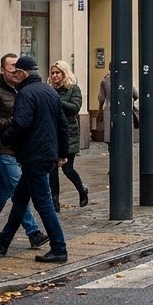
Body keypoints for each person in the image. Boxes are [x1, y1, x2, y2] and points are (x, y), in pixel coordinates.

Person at [0, 56, 68, 264]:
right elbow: (62, 124)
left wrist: (6, 138)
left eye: (17, 72)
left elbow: (22, 123)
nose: (15, 75)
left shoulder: (26, 93)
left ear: (25, 73)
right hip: (45, 153)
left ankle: (59, 247)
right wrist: (61, 152)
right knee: (19, 198)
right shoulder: (49, 91)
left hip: (33, 155)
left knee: (43, 203)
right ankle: (3, 240)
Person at [0, 54, 47, 250]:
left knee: (3, 191)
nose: (16, 72)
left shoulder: (22, 88)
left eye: (18, 68)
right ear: (2, 70)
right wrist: (13, 123)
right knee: (19, 191)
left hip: (18, 149)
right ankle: (33, 232)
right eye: (12, 69)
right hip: (2, 147)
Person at [48, 60, 90, 207]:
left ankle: (82, 189)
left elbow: (74, 108)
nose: (54, 76)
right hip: (53, 133)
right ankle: (55, 200)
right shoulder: (50, 89)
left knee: (67, 168)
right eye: (52, 73)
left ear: (64, 74)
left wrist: (58, 101)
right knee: (52, 168)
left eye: (57, 73)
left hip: (68, 133)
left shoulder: (74, 89)